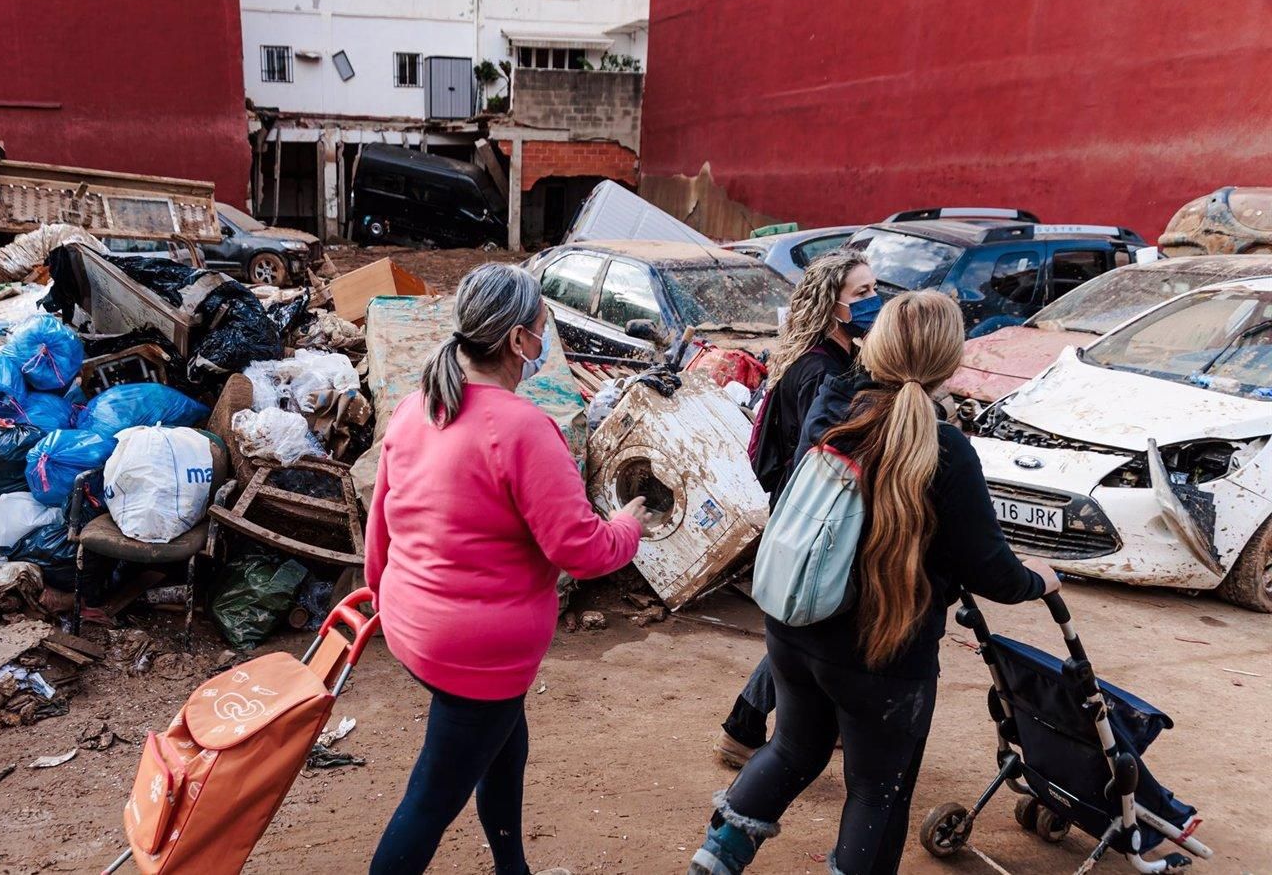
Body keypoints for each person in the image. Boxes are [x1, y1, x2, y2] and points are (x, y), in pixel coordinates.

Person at [689, 290, 1060, 875]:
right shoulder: (946, 451)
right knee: (874, 792)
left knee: (790, 749)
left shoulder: (833, 406)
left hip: (795, 625)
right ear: (949, 361)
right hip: (885, 651)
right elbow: (991, 571)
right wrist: (1039, 581)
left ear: (878, 343)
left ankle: (714, 862)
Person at [365, 263, 651, 875]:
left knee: (503, 745)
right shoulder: (523, 429)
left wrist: (382, 598)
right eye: (542, 329)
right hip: (475, 651)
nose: (545, 342)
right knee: (430, 800)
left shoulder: (417, 406)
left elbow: (380, 522)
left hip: (415, 624)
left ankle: (512, 868)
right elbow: (582, 549)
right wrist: (628, 523)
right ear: (519, 340)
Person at [716, 250, 879, 769]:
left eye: (875, 290)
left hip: (805, 508)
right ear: (834, 305)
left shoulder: (831, 359)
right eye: (862, 294)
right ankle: (745, 726)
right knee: (810, 624)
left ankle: (778, 724)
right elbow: (820, 453)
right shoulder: (819, 370)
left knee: (811, 622)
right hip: (810, 513)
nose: (875, 302)